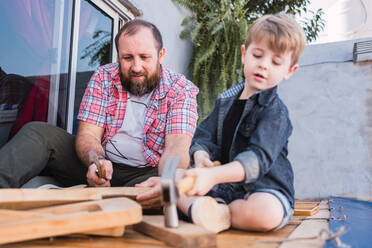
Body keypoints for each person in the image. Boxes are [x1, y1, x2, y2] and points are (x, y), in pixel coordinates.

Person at [0, 19, 198, 208]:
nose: (136, 67)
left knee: (150, 197)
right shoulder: (104, 77)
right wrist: (96, 162)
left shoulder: (181, 90)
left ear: (161, 55)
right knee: (38, 133)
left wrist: (165, 184)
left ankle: (113, 202)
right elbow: (88, 135)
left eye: (144, 57)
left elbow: (176, 148)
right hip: (101, 163)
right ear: (118, 56)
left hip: (147, 173)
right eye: (127, 58)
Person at [176, 13, 306, 233]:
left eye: (275, 61)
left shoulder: (276, 112)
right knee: (175, 178)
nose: (264, 65)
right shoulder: (225, 102)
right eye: (258, 55)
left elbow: (257, 160)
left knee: (266, 213)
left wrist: (212, 176)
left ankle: (213, 213)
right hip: (223, 189)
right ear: (244, 54)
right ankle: (210, 210)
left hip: (263, 191)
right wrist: (201, 157)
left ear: (289, 71)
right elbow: (203, 136)